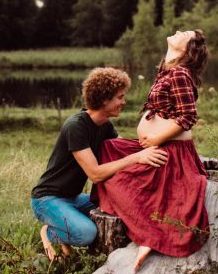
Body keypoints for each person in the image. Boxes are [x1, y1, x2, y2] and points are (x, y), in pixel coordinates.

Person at [94, 29, 209, 270]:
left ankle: (150, 235)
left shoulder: (179, 73)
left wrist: (156, 139)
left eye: (185, 33)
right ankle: (145, 230)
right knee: (109, 148)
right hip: (159, 145)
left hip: (172, 152)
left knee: (123, 179)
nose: (178, 31)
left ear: (188, 49)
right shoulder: (167, 70)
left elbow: (188, 116)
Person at [31, 67, 168, 260]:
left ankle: (71, 226)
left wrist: (153, 143)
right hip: (47, 199)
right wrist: (136, 158)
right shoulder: (76, 126)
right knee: (87, 233)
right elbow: (95, 173)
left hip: (74, 197)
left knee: (120, 208)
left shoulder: (104, 125)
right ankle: (50, 232)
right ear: (104, 99)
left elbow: (122, 150)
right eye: (120, 97)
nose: (124, 102)